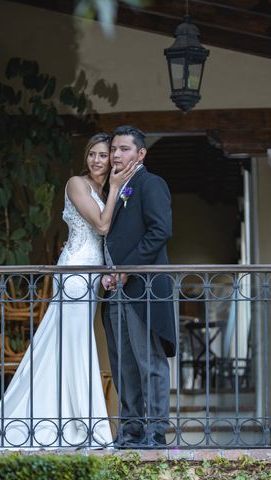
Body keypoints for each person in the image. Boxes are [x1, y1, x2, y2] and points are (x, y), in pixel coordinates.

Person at [0, 132, 137, 448]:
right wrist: (118, 187)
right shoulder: (76, 184)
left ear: (111, 160)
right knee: (71, 342)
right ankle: (75, 423)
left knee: (76, 345)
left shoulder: (104, 189)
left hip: (92, 276)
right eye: (92, 154)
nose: (97, 160)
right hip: (76, 272)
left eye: (103, 155)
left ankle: (73, 420)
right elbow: (102, 226)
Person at [101, 125, 176, 448]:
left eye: (125, 149)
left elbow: (160, 230)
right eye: (114, 149)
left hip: (142, 287)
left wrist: (125, 270)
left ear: (141, 153)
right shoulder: (116, 188)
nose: (117, 155)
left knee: (150, 362)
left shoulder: (151, 183)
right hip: (115, 290)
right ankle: (130, 429)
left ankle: (156, 431)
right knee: (123, 365)